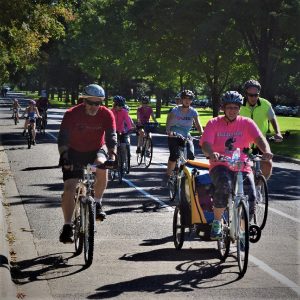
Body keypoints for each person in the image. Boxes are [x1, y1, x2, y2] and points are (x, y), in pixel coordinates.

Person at [200, 91, 273, 240]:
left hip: (242, 165)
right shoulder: (214, 123)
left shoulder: (247, 123)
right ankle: (217, 222)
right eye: (229, 107)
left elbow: (259, 139)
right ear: (223, 108)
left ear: (239, 108)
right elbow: (205, 144)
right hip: (220, 164)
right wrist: (211, 153)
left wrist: (266, 151)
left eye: (235, 107)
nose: (232, 110)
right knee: (224, 185)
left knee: (251, 196)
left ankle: (242, 230)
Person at [57, 84, 117, 244]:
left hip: (95, 150)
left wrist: (112, 155)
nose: (94, 106)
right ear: (83, 100)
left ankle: (97, 203)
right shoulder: (72, 114)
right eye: (91, 102)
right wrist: (64, 156)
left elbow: (111, 136)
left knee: (102, 166)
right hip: (74, 152)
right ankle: (67, 226)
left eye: (98, 103)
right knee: (70, 187)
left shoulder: (106, 114)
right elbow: (62, 138)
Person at [240, 79, 283, 179]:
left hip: (260, 141)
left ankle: (259, 187)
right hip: (244, 142)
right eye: (251, 95)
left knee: (268, 164)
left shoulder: (265, 104)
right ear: (246, 94)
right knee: (239, 165)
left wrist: (278, 132)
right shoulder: (239, 104)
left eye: (256, 95)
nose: (253, 98)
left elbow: (272, 118)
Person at [163, 89, 203, 185]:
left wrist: (202, 134)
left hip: (186, 135)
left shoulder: (193, 112)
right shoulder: (175, 110)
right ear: (181, 100)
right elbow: (168, 124)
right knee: (174, 155)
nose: (187, 101)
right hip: (174, 135)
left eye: (189, 99)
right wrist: (169, 131)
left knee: (191, 155)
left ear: (192, 100)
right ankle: (167, 175)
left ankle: (189, 177)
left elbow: (198, 125)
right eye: (185, 99)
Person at [111, 95, 134, 172]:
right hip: (112, 131)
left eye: (122, 106)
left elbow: (127, 120)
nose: (121, 107)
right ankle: (111, 160)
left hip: (121, 131)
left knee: (123, 146)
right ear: (115, 105)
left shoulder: (124, 112)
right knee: (112, 146)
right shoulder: (111, 112)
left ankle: (123, 162)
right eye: (120, 106)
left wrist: (130, 128)